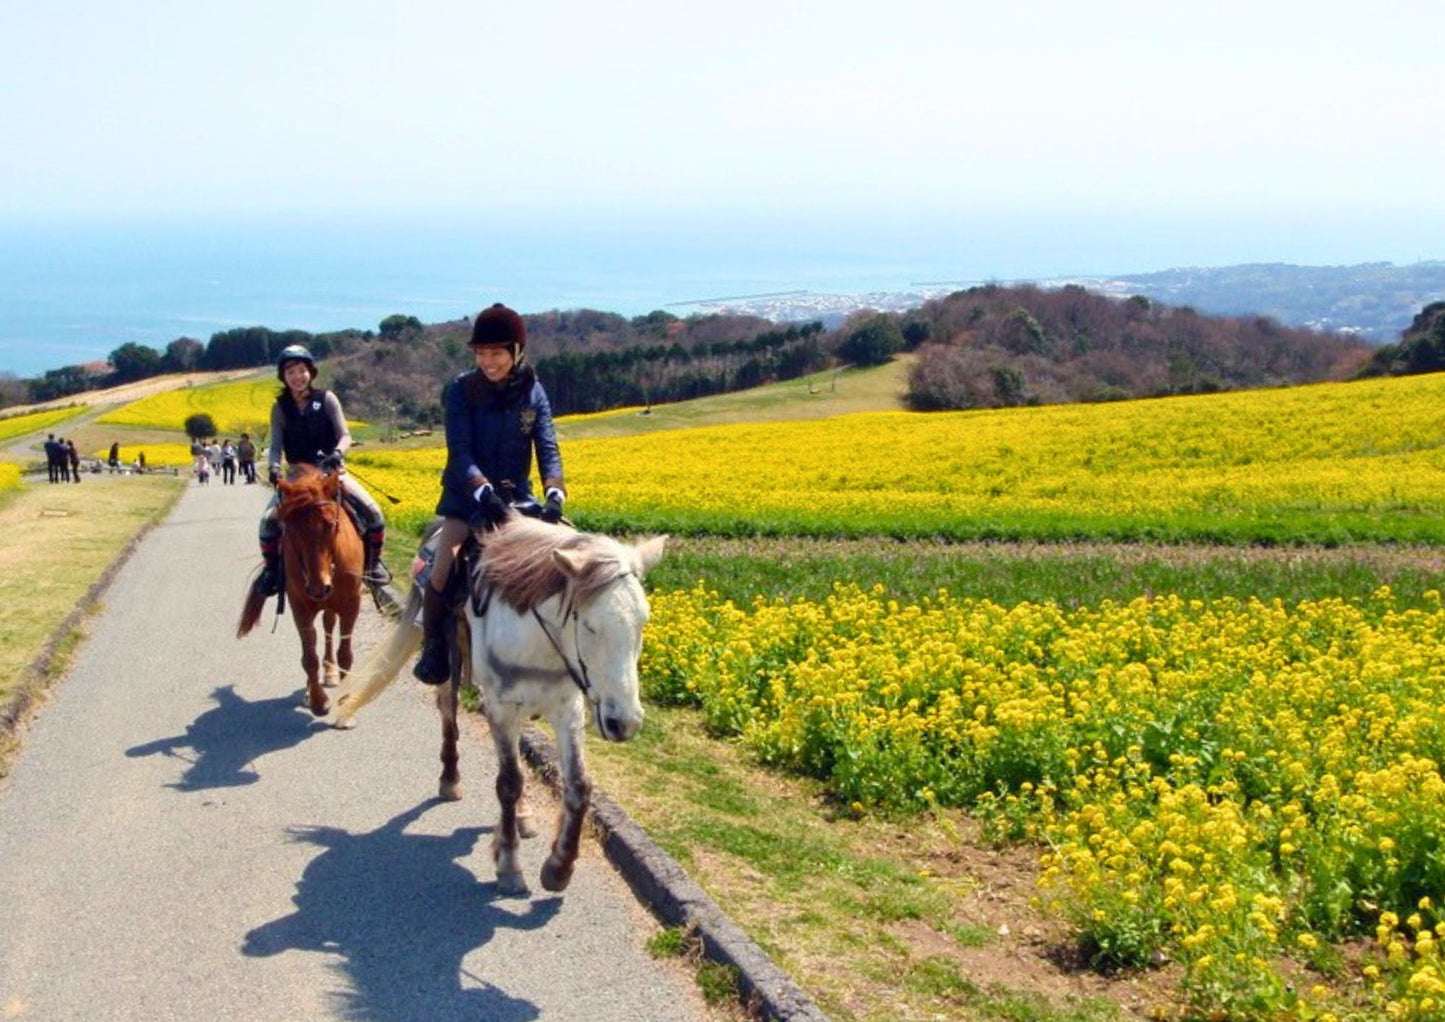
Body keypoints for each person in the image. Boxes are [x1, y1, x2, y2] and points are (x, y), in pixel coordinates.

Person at [413, 303, 566, 684]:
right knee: (444, 566)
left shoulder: (535, 392)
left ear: (516, 352)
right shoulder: (461, 390)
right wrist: (483, 493)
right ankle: (433, 648)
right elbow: (460, 452)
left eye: (496, 353)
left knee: (573, 555)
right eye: (481, 353)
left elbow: (547, 445)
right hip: (467, 501)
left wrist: (555, 491)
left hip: (519, 500)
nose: (488, 361)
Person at [250, 344, 396, 612]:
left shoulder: (328, 399)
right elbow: (275, 445)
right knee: (267, 522)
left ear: (311, 372)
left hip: (330, 474)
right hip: (297, 479)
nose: (298, 376)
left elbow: (345, 435)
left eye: (302, 370)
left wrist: (338, 454)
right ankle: (272, 573)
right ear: (284, 376)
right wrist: (273, 467)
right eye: (291, 371)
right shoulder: (280, 408)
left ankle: (372, 568)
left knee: (374, 514)